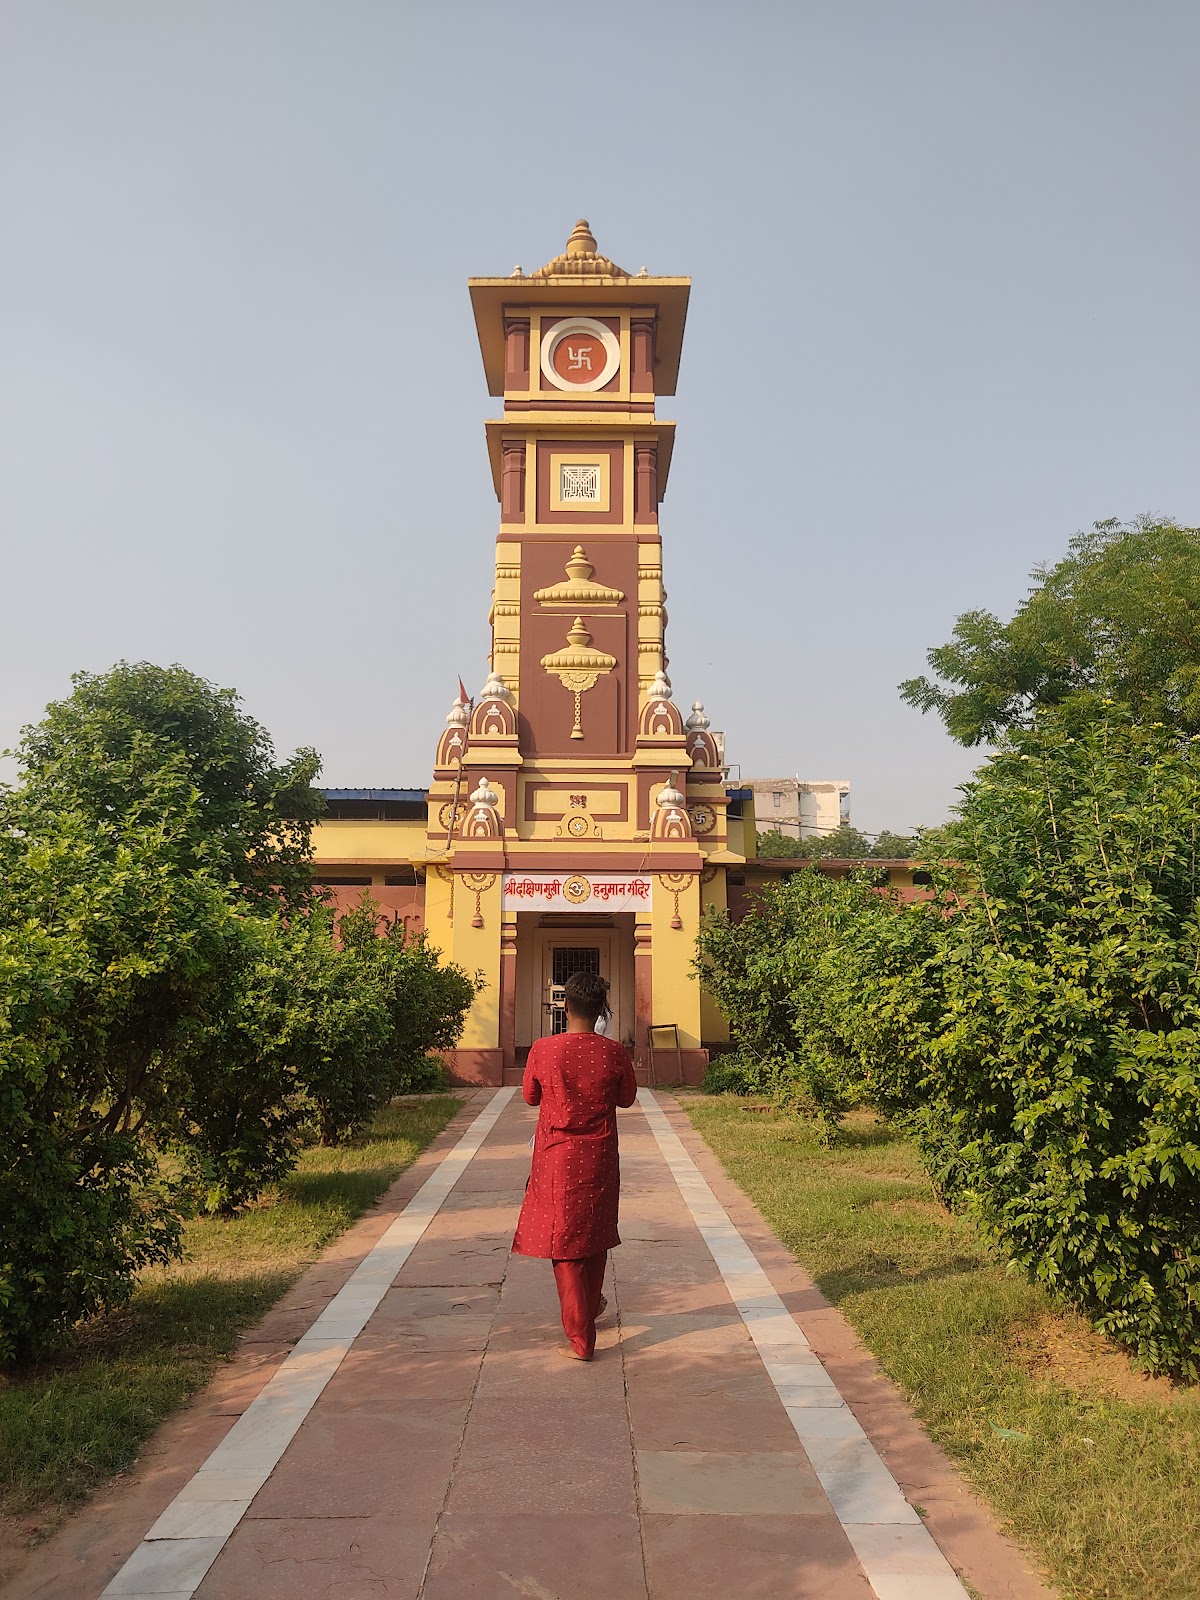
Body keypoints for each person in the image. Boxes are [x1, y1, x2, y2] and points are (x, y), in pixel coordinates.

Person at [511, 971, 638, 1360]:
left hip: (557, 1158)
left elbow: (530, 1097)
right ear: (602, 1009)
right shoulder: (614, 1052)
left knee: (563, 1242)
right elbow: (628, 1098)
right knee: (595, 1234)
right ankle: (589, 1306)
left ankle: (580, 1338)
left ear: (565, 1006)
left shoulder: (543, 1049)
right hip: (599, 1155)